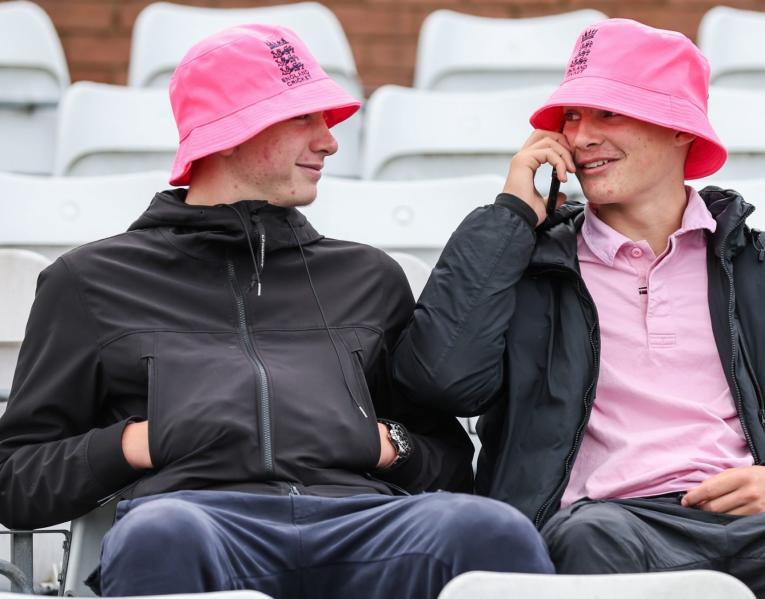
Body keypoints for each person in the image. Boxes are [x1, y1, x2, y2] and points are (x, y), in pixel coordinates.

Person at [392, 18, 765, 599]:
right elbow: (440, 381)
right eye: (572, 118)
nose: (580, 137)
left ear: (678, 128)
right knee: (592, 541)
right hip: (614, 524)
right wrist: (511, 213)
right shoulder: (524, 264)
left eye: (607, 113)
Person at [0, 24, 553, 598]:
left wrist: (386, 444)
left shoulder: (368, 277)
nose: (330, 141)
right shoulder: (89, 282)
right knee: (161, 533)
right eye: (304, 118)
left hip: (364, 524)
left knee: (489, 528)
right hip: (201, 521)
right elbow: (14, 481)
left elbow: (447, 460)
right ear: (230, 131)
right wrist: (140, 441)